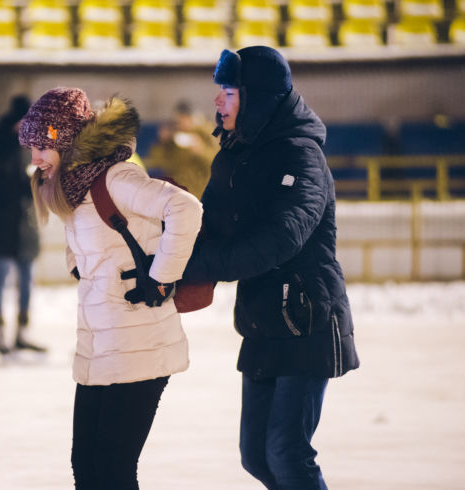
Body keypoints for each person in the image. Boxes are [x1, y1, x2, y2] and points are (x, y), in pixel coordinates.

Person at [183, 46, 360, 489]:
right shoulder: (235, 154)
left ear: (257, 97)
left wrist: (195, 266)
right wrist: (157, 257)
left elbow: (281, 239)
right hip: (264, 317)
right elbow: (208, 228)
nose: (218, 102)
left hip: (307, 317)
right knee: (256, 455)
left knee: (287, 451)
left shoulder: (300, 155)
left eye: (228, 92)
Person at [19, 87, 202, 489]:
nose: (33, 158)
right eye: (29, 147)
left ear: (65, 142)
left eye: (40, 146)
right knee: (86, 466)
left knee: (113, 470)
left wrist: (161, 276)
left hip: (140, 344)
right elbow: (86, 240)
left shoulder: (116, 177)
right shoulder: (70, 185)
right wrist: (79, 266)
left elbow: (185, 208)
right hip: (99, 345)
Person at [0, 95, 46, 355]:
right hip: (2, 224)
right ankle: (0, 333)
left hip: (24, 225)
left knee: (26, 281)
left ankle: (22, 333)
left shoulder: (32, 143)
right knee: (0, 281)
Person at [145, 100, 218, 199]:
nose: (180, 124)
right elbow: (158, 163)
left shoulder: (205, 135)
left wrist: (201, 151)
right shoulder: (174, 138)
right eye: (177, 121)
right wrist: (161, 142)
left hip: (200, 195)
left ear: (191, 118)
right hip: (178, 194)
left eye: (183, 119)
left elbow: (217, 164)